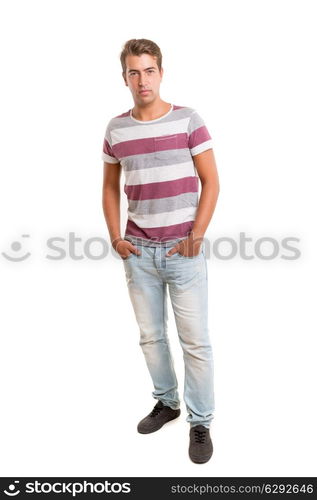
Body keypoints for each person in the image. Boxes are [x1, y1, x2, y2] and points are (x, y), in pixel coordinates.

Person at [102, 38, 220, 464]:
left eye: (149, 70)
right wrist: (116, 237)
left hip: (183, 252)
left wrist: (197, 234)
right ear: (125, 78)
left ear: (161, 73)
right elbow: (109, 188)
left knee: (195, 342)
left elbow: (212, 181)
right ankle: (167, 402)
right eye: (134, 71)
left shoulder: (189, 120)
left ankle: (200, 421)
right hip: (139, 252)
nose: (142, 79)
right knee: (151, 338)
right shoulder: (116, 129)